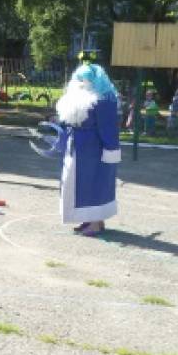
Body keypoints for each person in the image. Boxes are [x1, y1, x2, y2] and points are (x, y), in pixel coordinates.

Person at [53, 64, 120, 237]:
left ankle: (96, 223)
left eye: (87, 79)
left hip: (93, 150)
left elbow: (108, 128)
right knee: (78, 185)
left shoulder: (104, 99)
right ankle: (91, 219)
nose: (82, 82)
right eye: (80, 78)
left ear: (96, 80)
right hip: (77, 147)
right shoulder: (76, 96)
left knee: (92, 184)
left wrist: (111, 150)